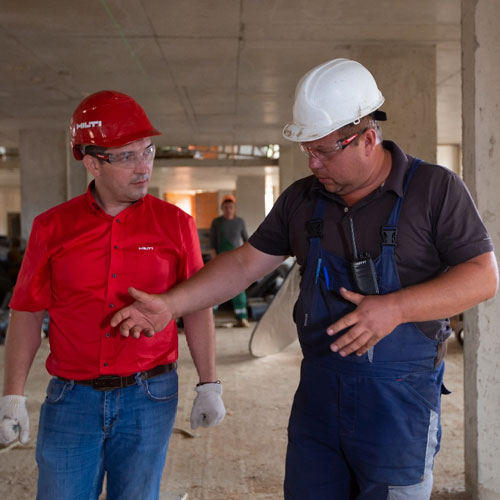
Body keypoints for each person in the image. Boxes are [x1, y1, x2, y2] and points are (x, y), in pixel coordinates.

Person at [110, 59, 498, 499]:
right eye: (306, 150)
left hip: (399, 400)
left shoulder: (434, 189)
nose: (313, 163)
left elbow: (483, 277)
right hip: (319, 393)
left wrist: (396, 308)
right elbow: (242, 265)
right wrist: (171, 305)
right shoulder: (302, 200)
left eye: (324, 151)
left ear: (368, 139)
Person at [0, 90, 225, 500]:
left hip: (150, 397)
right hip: (71, 400)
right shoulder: (52, 228)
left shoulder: (176, 225)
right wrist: (13, 394)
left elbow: (196, 307)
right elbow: (27, 312)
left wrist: (209, 383)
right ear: (91, 162)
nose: (143, 167)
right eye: (127, 156)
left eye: (147, 151)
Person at [209, 195, 249, 327]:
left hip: (236, 260)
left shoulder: (240, 222)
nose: (228, 209)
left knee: (239, 288)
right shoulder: (217, 222)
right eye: (226, 207)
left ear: (234, 208)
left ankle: (241, 317)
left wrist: (246, 258)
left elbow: (246, 241)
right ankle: (210, 318)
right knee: (216, 288)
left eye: (231, 207)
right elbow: (212, 243)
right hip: (221, 259)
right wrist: (214, 259)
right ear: (222, 208)